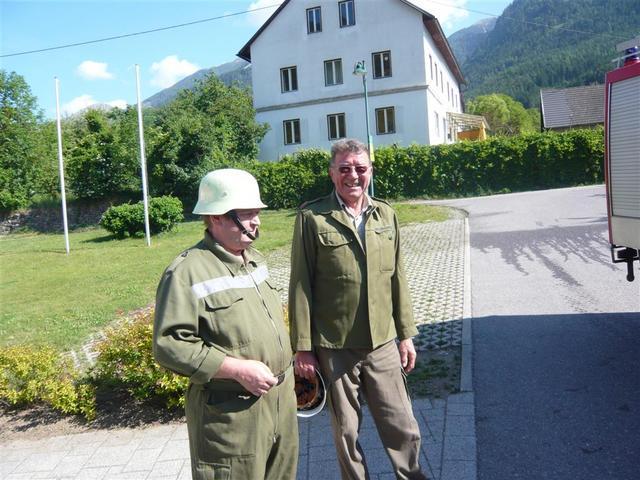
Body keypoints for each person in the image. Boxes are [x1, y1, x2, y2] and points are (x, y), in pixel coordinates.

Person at [289, 139, 427, 479]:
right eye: (345, 168)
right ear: (332, 173)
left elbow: (398, 278)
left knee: (403, 427)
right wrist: (303, 347)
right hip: (335, 347)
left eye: (360, 168)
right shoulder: (312, 217)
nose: (353, 175)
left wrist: (406, 335)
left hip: (382, 343)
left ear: (370, 172)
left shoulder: (386, 214)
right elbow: (300, 285)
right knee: (346, 433)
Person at [153, 168, 298, 480]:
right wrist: (237, 369)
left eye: (256, 212)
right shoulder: (186, 272)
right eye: (246, 214)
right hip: (232, 416)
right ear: (216, 217)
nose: (256, 221)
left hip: (280, 404)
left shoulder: (255, 258)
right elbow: (169, 345)